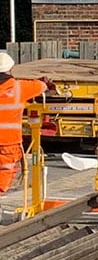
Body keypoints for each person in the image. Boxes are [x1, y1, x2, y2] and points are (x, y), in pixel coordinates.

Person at [0, 53, 51, 203]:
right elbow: (42, 85)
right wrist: (46, 83)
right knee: (5, 173)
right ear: (10, 70)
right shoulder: (19, 87)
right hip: (8, 143)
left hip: (8, 142)